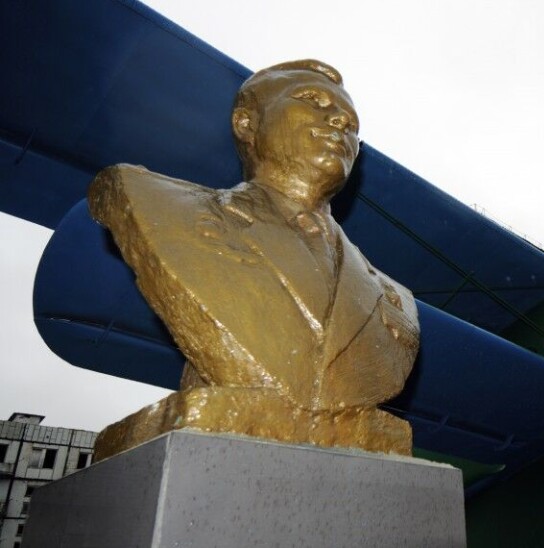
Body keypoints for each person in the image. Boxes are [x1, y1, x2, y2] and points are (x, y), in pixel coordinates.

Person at [89, 60, 419, 459]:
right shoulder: (155, 203)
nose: (338, 122)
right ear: (246, 123)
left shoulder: (394, 297)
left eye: (351, 123)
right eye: (312, 101)